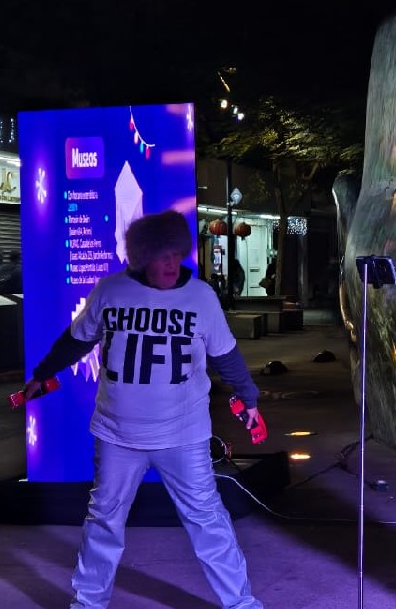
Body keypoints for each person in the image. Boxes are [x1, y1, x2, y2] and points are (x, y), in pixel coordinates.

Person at [21, 210, 265, 609]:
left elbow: (227, 355)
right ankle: (88, 603)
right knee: (103, 520)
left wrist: (249, 399)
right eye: (160, 255)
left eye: (175, 254)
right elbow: (76, 340)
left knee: (208, 521)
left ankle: (241, 603)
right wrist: (42, 373)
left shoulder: (201, 296)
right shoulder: (110, 291)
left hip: (184, 436)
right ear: (139, 257)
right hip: (117, 435)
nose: (170, 264)